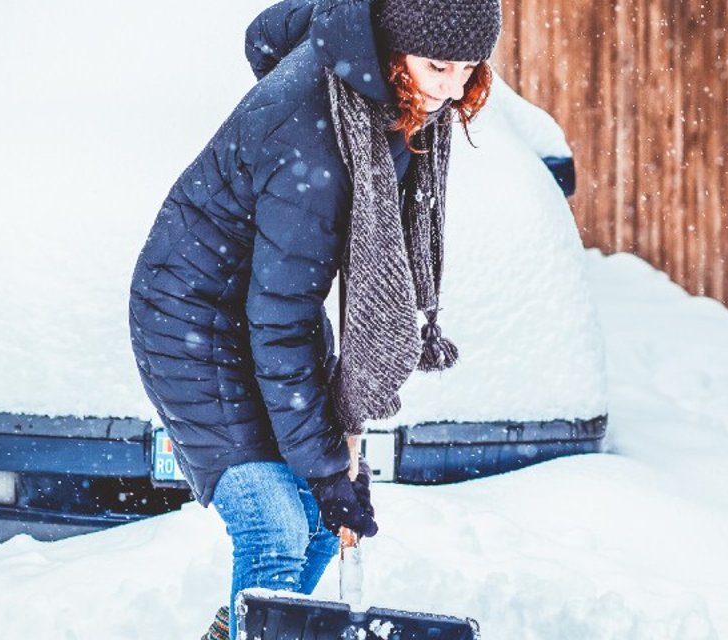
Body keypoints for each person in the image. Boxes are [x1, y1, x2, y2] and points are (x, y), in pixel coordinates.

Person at [128, 0, 502, 637]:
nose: (452, 90)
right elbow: (281, 320)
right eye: (438, 66)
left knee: (324, 530)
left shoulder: (373, 91)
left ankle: (249, 630)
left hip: (264, 300)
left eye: (469, 70)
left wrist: (332, 466)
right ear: (392, 47)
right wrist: (329, 468)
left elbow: (266, 36)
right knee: (274, 522)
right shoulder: (313, 131)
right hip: (190, 316)